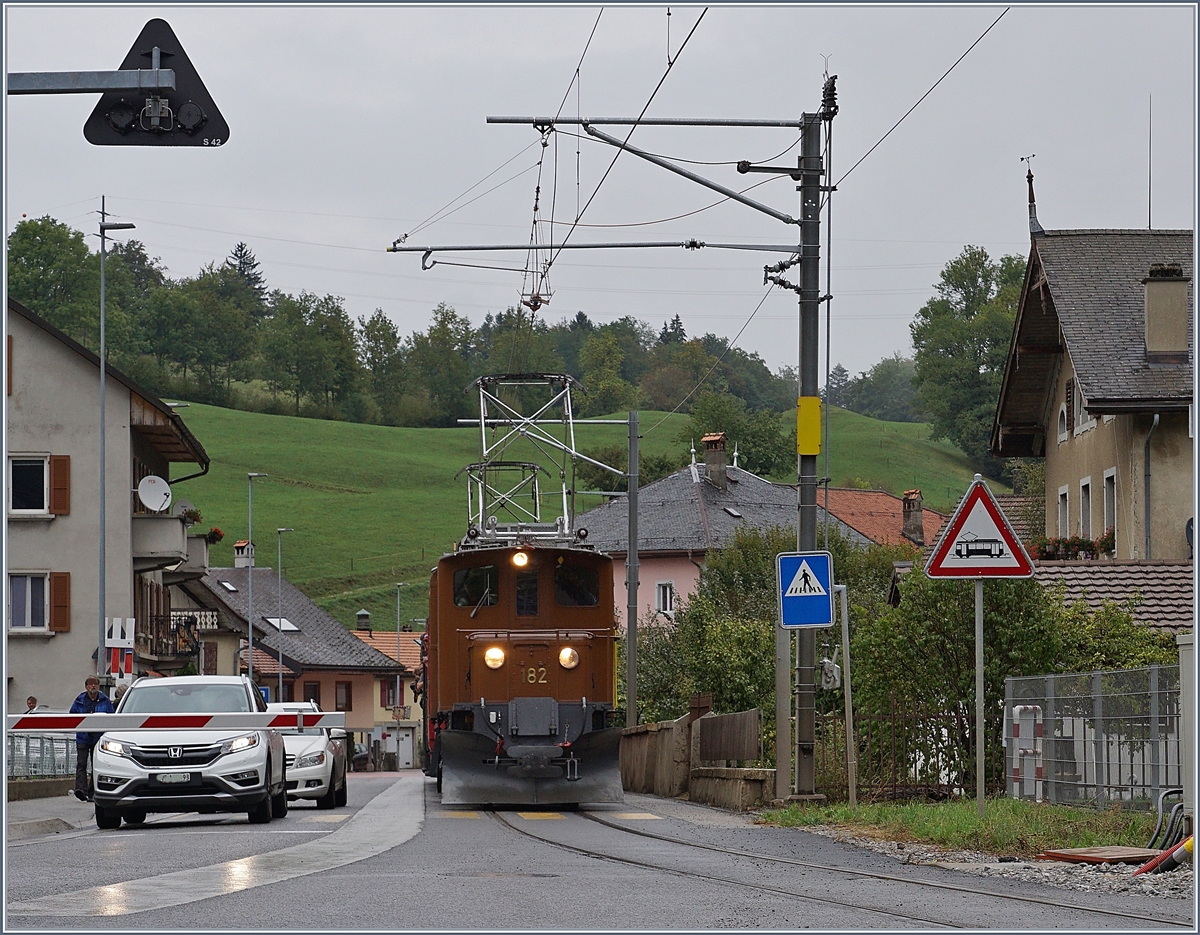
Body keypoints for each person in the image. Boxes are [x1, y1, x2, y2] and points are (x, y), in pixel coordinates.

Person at [70, 676, 115, 802]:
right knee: (81, 764)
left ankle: (93, 792)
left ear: (98, 686)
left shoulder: (105, 700)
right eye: (90, 684)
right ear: (86, 687)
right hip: (83, 737)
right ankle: (80, 790)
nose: (93, 686)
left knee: (96, 765)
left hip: (98, 738)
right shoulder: (79, 700)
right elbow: (72, 717)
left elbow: (111, 718)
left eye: (95, 684)